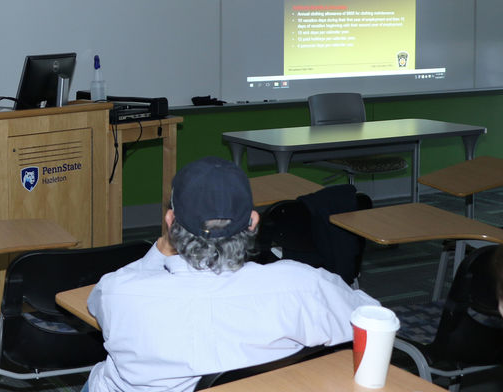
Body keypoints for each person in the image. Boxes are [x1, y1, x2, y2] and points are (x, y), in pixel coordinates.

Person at [84, 156, 379, 392]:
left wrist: (160, 249)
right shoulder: (305, 286)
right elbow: (373, 318)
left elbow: (96, 307)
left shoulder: (119, 292)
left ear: (171, 222)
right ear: (252, 223)